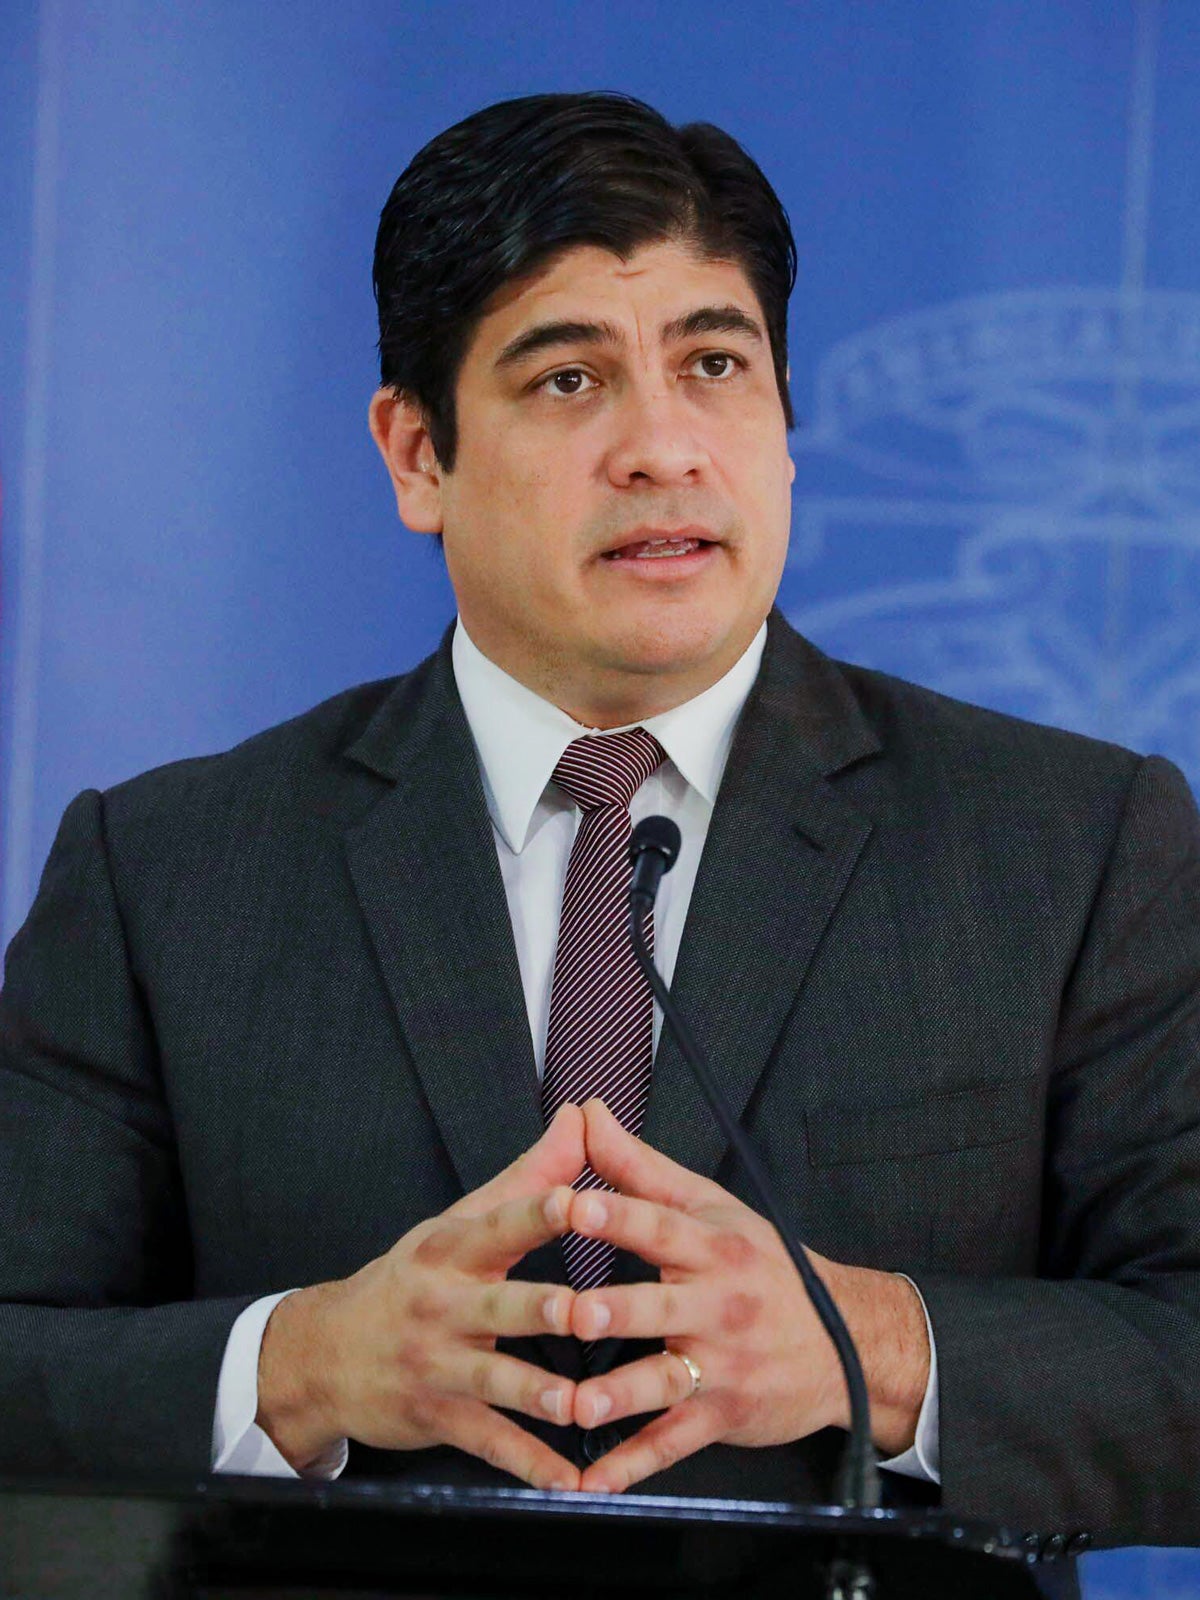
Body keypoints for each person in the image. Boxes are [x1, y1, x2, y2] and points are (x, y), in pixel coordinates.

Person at [2, 92, 1199, 1582]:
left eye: (714, 365)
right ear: (416, 452)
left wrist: (871, 1349)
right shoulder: (169, 873)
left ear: (782, 422)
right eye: (568, 380)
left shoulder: (1069, 848)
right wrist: (303, 1364)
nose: (663, 447)